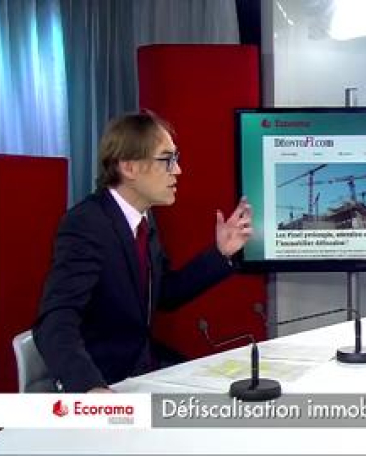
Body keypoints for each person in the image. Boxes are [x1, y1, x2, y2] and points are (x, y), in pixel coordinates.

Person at [33, 112, 253, 392]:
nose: (178, 170)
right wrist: (91, 388)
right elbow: (56, 319)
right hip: (106, 379)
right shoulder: (87, 224)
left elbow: (165, 293)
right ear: (129, 167)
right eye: (167, 160)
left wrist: (221, 253)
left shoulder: (144, 220)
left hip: (144, 367)